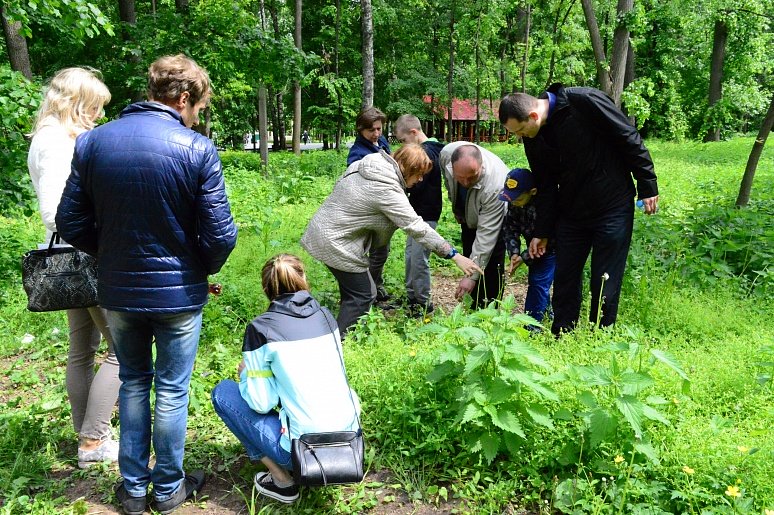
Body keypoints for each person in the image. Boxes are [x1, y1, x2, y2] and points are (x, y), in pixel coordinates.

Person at [56, 54, 238, 515]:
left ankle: (134, 490)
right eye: (198, 108)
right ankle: (168, 489)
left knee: (135, 382)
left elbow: (70, 222)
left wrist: (112, 253)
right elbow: (220, 236)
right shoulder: (197, 149)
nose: (197, 116)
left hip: (117, 290)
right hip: (178, 293)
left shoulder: (94, 143)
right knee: (173, 389)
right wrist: (197, 267)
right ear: (183, 99)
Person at [498, 84, 659, 335]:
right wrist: (543, 230)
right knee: (565, 278)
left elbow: (627, 135)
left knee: (604, 277)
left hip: (612, 204)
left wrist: (647, 183)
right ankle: (563, 333)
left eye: (520, 130)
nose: (521, 137)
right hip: (571, 211)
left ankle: (600, 335)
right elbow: (546, 184)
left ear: (533, 115)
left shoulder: (583, 101)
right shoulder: (534, 135)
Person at [27, 67, 120, 469]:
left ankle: (88, 433)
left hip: (73, 258)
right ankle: (93, 439)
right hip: (84, 257)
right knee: (124, 351)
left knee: (83, 350)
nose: (97, 115)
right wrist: (103, 234)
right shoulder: (54, 143)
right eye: (94, 106)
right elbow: (55, 212)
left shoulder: (55, 137)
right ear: (75, 103)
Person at [211, 254, 360, 505]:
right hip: (349, 443)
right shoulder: (326, 316)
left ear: (265, 288)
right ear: (304, 278)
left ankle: (282, 480)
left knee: (223, 394)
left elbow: (261, 403)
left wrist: (246, 373)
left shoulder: (262, 329)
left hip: (303, 452)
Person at [301, 144, 481, 337]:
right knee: (363, 295)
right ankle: (338, 342)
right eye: (419, 174)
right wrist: (454, 255)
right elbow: (415, 226)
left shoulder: (370, 165)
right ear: (408, 168)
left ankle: (341, 330)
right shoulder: (386, 187)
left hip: (325, 231)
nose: (420, 180)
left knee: (354, 292)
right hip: (336, 242)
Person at [439, 142, 509, 309]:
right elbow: (449, 182)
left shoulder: (495, 185)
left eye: (472, 176)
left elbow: (486, 236)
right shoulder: (446, 155)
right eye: (460, 177)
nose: (465, 182)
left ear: (481, 167)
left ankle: (489, 311)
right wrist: (457, 207)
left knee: (492, 264)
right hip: (468, 214)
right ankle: (473, 306)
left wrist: (471, 277)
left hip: (493, 219)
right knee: (470, 251)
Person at [394, 114, 444, 316]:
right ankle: (412, 296)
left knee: (418, 259)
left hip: (426, 214)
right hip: (415, 214)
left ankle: (423, 303)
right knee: (410, 256)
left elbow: (420, 185)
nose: (404, 145)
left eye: (404, 140)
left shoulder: (427, 153)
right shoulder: (429, 150)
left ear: (414, 133)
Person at [346, 107, 393, 302]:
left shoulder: (381, 142)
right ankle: (366, 292)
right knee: (370, 252)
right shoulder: (357, 154)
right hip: (367, 210)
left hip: (385, 207)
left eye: (379, 129)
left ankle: (376, 285)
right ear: (360, 129)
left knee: (382, 250)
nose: (376, 134)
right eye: (371, 130)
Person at [499, 168, 556, 328]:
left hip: (552, 248)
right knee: (538, 283)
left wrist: (524, 257)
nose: (513, 202)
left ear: (533, 192)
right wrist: (514, 253)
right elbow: (510, 227)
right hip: (535, 249)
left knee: (538, 282)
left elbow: (548, 242)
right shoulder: (516, 203)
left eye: (517, 198)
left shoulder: (545, 207)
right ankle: (546, 314)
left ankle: (532, 327)